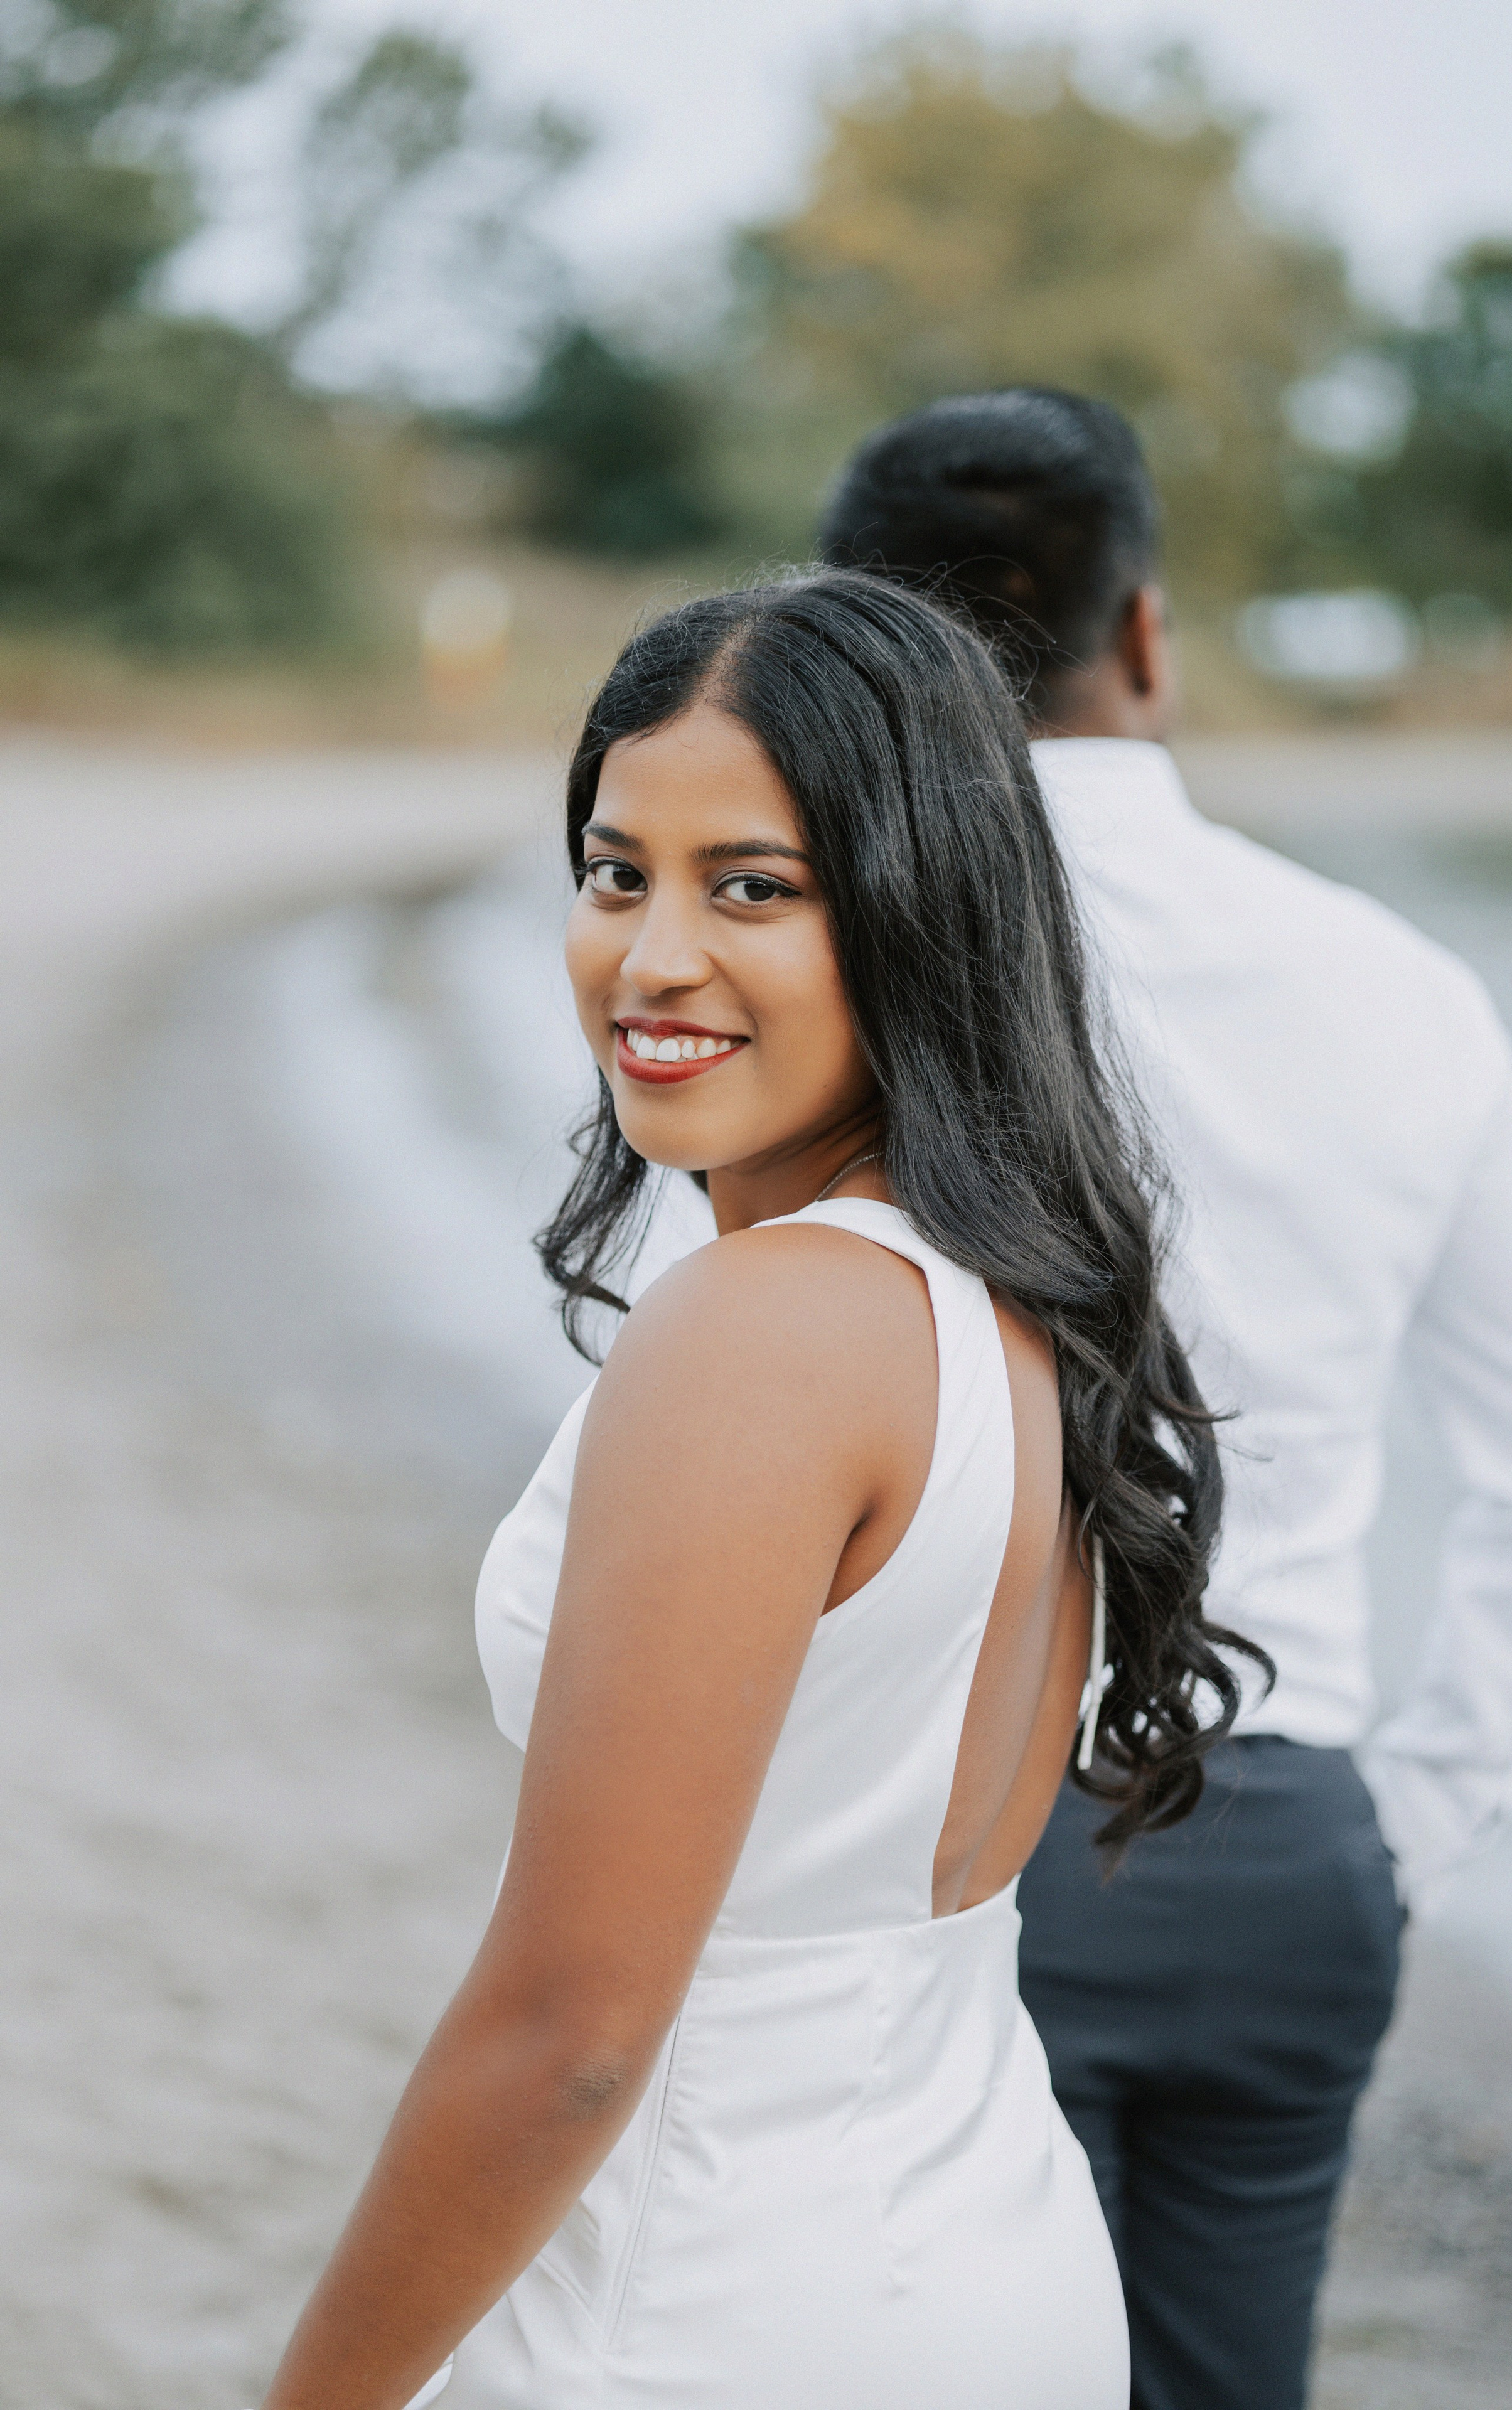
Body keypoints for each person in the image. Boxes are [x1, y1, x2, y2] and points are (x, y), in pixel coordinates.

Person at [257, 571, 1263, 2410]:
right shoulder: (1012, 1296)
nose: (647, 958)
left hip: (715, 2310)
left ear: (918, 914)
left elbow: (572, 2030)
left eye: (755, 888)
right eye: (615, 870)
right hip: (993, 2258)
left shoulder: (762, 1335)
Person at [820, 387, 1512, 2410]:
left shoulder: (838, 980)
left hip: (935, 1841)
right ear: (1148, 633)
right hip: (1286, 1837)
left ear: (850, 640)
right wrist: (1405, 1819)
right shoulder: (1400, 983)